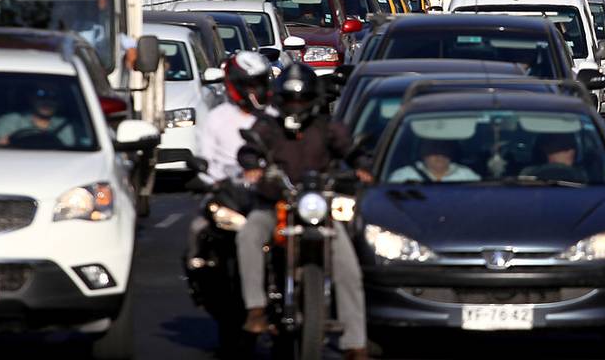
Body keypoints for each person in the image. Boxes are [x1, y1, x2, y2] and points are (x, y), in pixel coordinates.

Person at [234, 63, 370, 360]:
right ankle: (256, 309)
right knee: (248, 234)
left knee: (348, 266)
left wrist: (361, 166)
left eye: (302, 99)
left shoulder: (326, 127)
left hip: (318, 210)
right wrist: (252, 166)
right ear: (280, 99)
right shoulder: (269, 126)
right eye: (290, 99)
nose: (296, 105)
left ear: (314, 99)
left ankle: (355, 343)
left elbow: (350, 149)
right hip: (275, 205)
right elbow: (249, 149)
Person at [196, 51, 272, 184]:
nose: (257, 91)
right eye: (251, 85)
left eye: (260, 84)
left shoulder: (274, 116)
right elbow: (206, 161)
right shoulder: (216, 118)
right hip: (229, 188)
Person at [0, 87, 76, 147]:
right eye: (41, 96)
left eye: (53, 97)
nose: (47, 102)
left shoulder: (68, 126)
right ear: (31, 98)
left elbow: (72, 151)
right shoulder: (12, 120)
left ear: (59, 101)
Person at [388, 138, 481, 183]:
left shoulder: (467, 175)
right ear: (423, 153)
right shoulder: (403, 176)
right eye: (433, 150)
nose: (440, 155)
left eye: (444, 150)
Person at [521, 133, 589, 184]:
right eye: (564, 147)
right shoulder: (528, 173)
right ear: (545, 149)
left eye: (572, 145)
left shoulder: (581, 175)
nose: (571, 151)